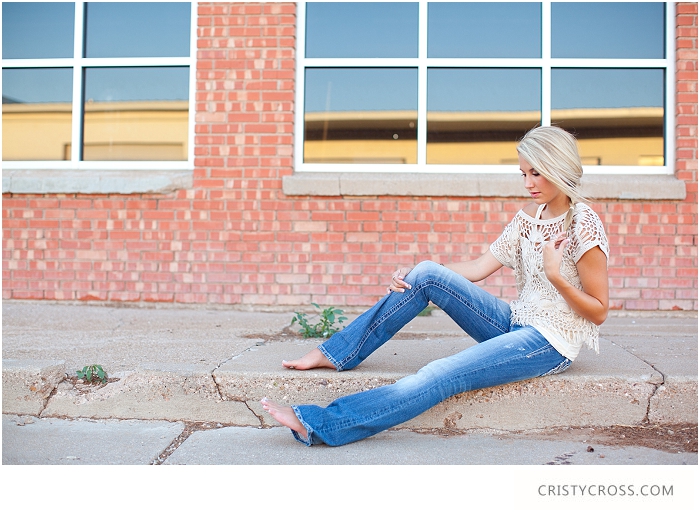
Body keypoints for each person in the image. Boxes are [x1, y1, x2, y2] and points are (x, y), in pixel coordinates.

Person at [261, 126, 610, 447]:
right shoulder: (528, 220)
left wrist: (556, 277)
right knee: (427, 272)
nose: (528, 183)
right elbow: (477, 268)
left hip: (548, 343)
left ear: (558, 167)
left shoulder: (583, 225)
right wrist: (415, 275)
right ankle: (337, 352)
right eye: (523, 173)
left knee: (441, 373)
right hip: (515, 322)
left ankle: (323, 425)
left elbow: (598, 311)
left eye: (536, 173)